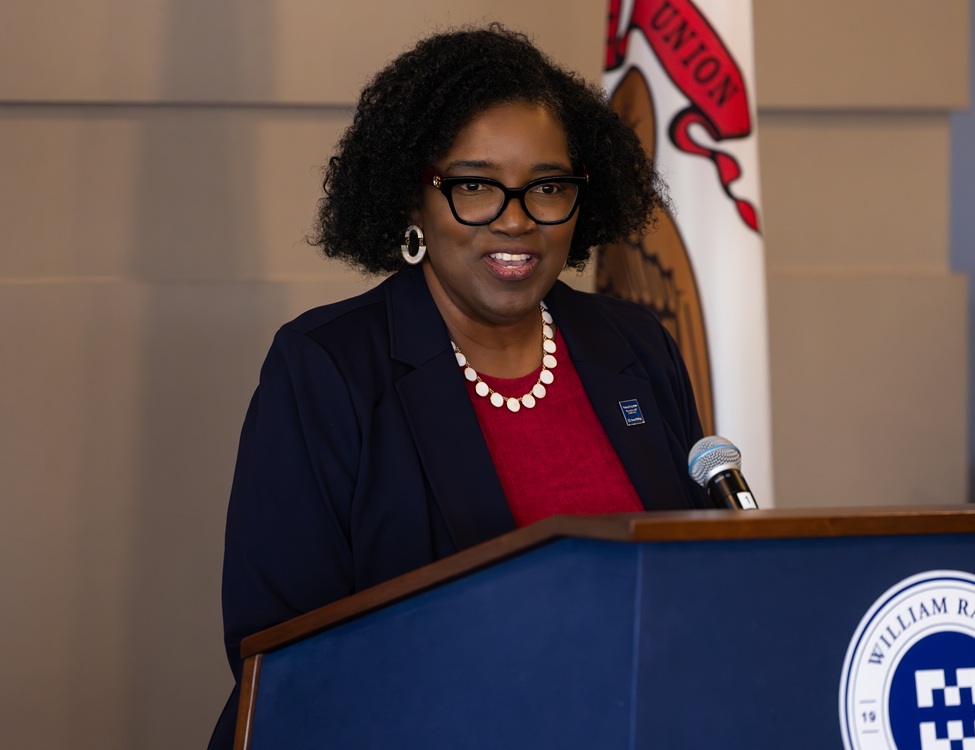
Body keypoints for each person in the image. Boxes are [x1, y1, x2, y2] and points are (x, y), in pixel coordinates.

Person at [208, 24, 710, 749]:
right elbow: (282, 646)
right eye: (474, 186)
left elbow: (692, 589)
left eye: (548, 187)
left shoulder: (632, 345)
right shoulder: (328, 366)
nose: (516, 220)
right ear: (414, 200)